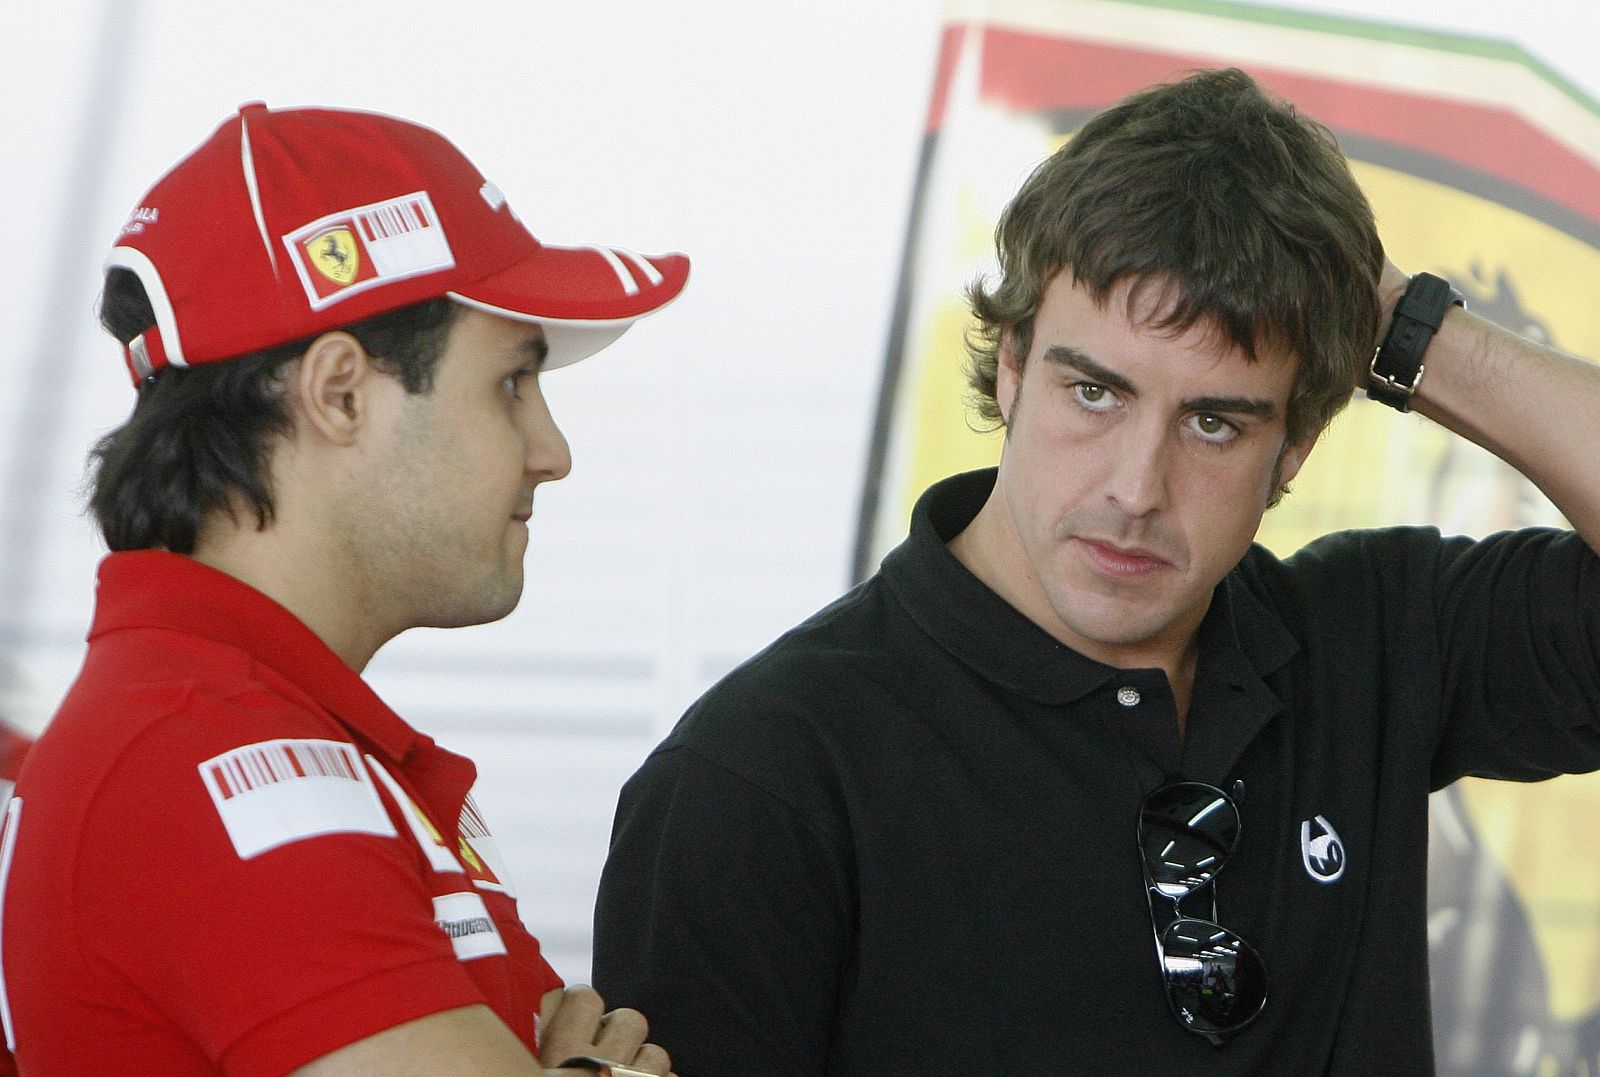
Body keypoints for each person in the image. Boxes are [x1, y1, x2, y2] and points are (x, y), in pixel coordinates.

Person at [591, 67, 1600, 1073]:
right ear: (1012, 365)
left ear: (1295, 443)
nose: (1136, 488)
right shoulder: (762, 777)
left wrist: (1400, 327)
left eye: (1213, 423)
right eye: (1095, 393)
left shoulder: (1376, 636)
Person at [0, 102, 689, 1077]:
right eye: (511, 382)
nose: (551, 452)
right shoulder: (210, 766)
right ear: (338, 394)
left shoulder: (267, 744)